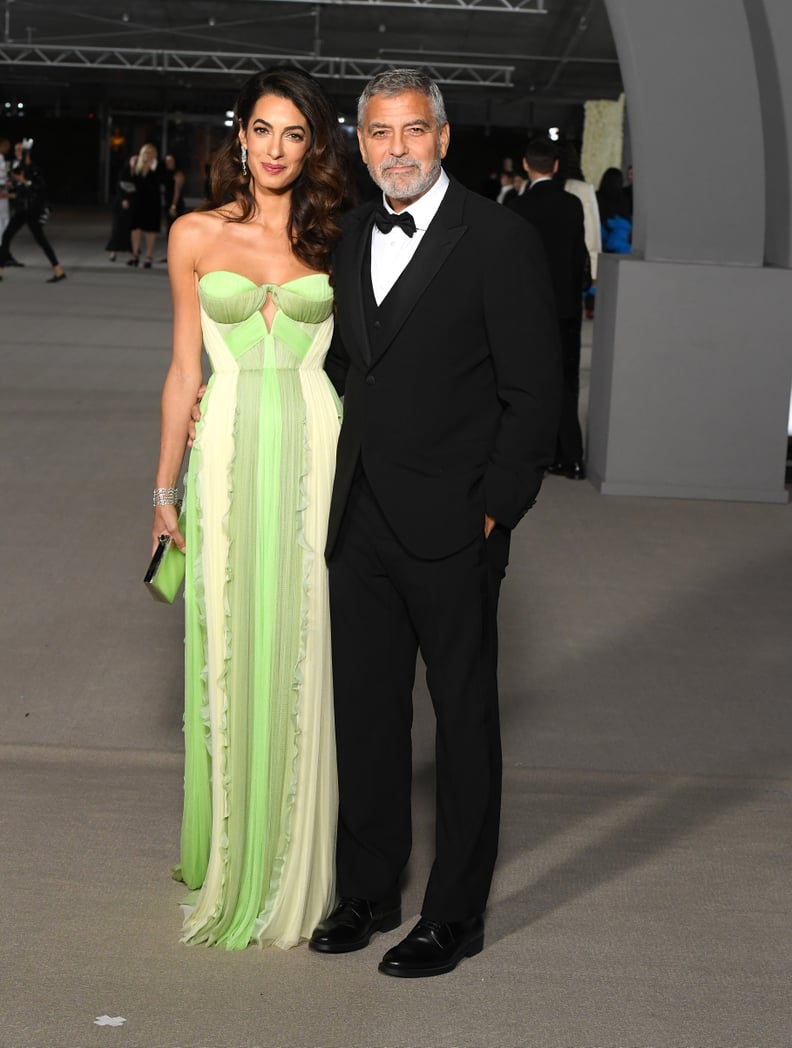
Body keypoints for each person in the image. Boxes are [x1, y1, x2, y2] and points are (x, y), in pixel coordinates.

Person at [308, 69, 561, 978]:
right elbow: (349, 365)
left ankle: (454, 914)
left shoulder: (497, 239)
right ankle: (370, 891)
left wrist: (497, 507)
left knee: (462, 722)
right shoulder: (346, 234)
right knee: (368, 716)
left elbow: (535, 392)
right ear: (362, 143)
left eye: (414, 131)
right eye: (379, 134)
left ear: (444, 138)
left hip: (459, 523)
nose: (397, 150)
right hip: (360, 517)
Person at [151, 67, 352, 949]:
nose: (275, 150)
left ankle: (299, 857)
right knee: (229, 639)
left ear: (314, 147)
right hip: (226, 449)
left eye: (295, 135)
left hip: (318, 446)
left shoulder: (338, 239)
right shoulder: (194, 232)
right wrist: (164, 488)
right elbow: (185, 372)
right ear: (241, 135)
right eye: (263, 131)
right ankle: (235, 848)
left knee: (310, 642)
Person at [509, 138, 588, 480]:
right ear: (555, 167)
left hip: (528, 312)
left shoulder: (517, 208)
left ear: (526, 165)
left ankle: (528, 457)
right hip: (566, 308)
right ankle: (570, 457)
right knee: (567, 383)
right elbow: (578, 258)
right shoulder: (572, 205)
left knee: (524, 384)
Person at [0, 140, 66, 284]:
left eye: (19, 150)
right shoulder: (19, 167)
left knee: (41, 240)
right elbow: (20, 192)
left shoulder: (33, 168)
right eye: (16, 150)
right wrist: (8, 193)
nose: (16, 153)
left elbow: (39, 189)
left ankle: (58, 269)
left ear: (25, 153)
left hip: (32, 210)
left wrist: (24, 181)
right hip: (21, 210)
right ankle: (0, 270)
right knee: (6, 237)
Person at [128, 142, 162, 267]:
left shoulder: (158, 166)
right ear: (142, 154)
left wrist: (152, 169)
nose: (149, 155)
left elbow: (159, 182)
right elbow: (130, 182)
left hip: (152, 203)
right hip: (137, 202)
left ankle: (148, 256)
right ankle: (135, 254)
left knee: (150, 230)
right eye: (146, 152)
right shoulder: (137, 166)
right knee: (135, 228)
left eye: (151, 152)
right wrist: (132, 167)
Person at [105, 154, 137, 262]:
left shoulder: (138, 174)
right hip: (120, 203)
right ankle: (113, 252)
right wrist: (124, 199)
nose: (135, 162)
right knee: (117, 228)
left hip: (133, 204)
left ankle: (132, 251)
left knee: (130, 229)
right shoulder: (123, 172)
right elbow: (118, 187)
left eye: (137, 160)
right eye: (133, 160)